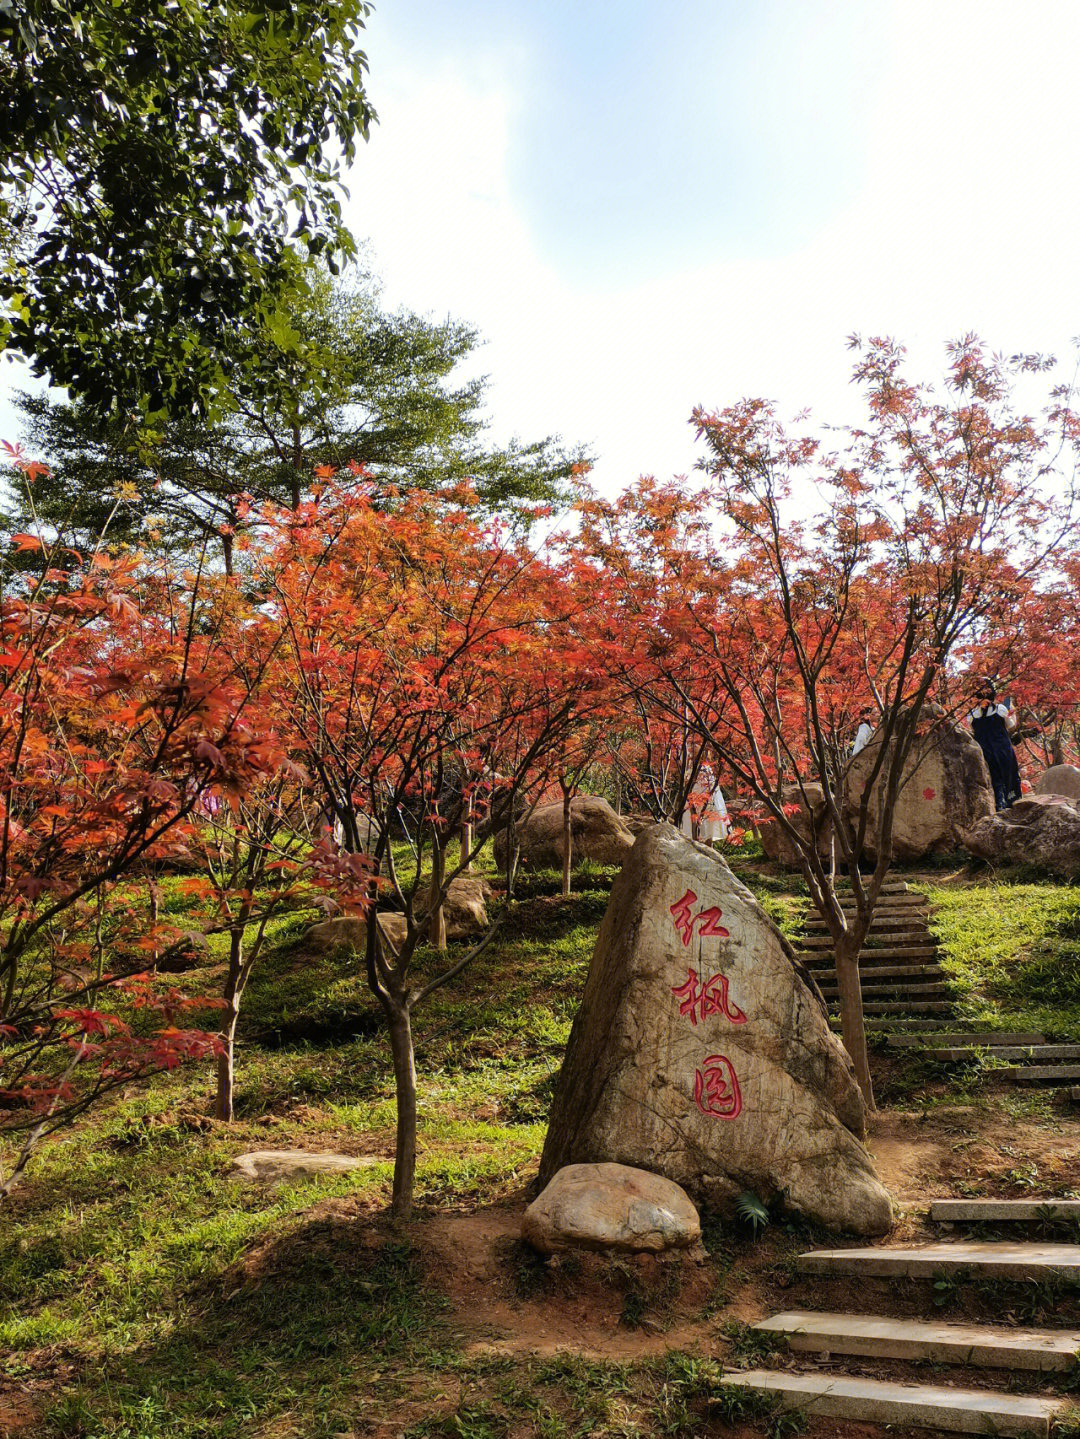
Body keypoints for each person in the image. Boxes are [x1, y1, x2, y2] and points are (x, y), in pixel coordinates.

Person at [970, 681, 1021, 810]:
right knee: (1009, 779)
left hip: (985, 753)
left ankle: (998, 806)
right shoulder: (1000, 709)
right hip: (1003, 750)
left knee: (993, 782)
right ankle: (1012, 805)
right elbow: (1011, 726)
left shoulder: (972, 715)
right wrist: (1012, 711)